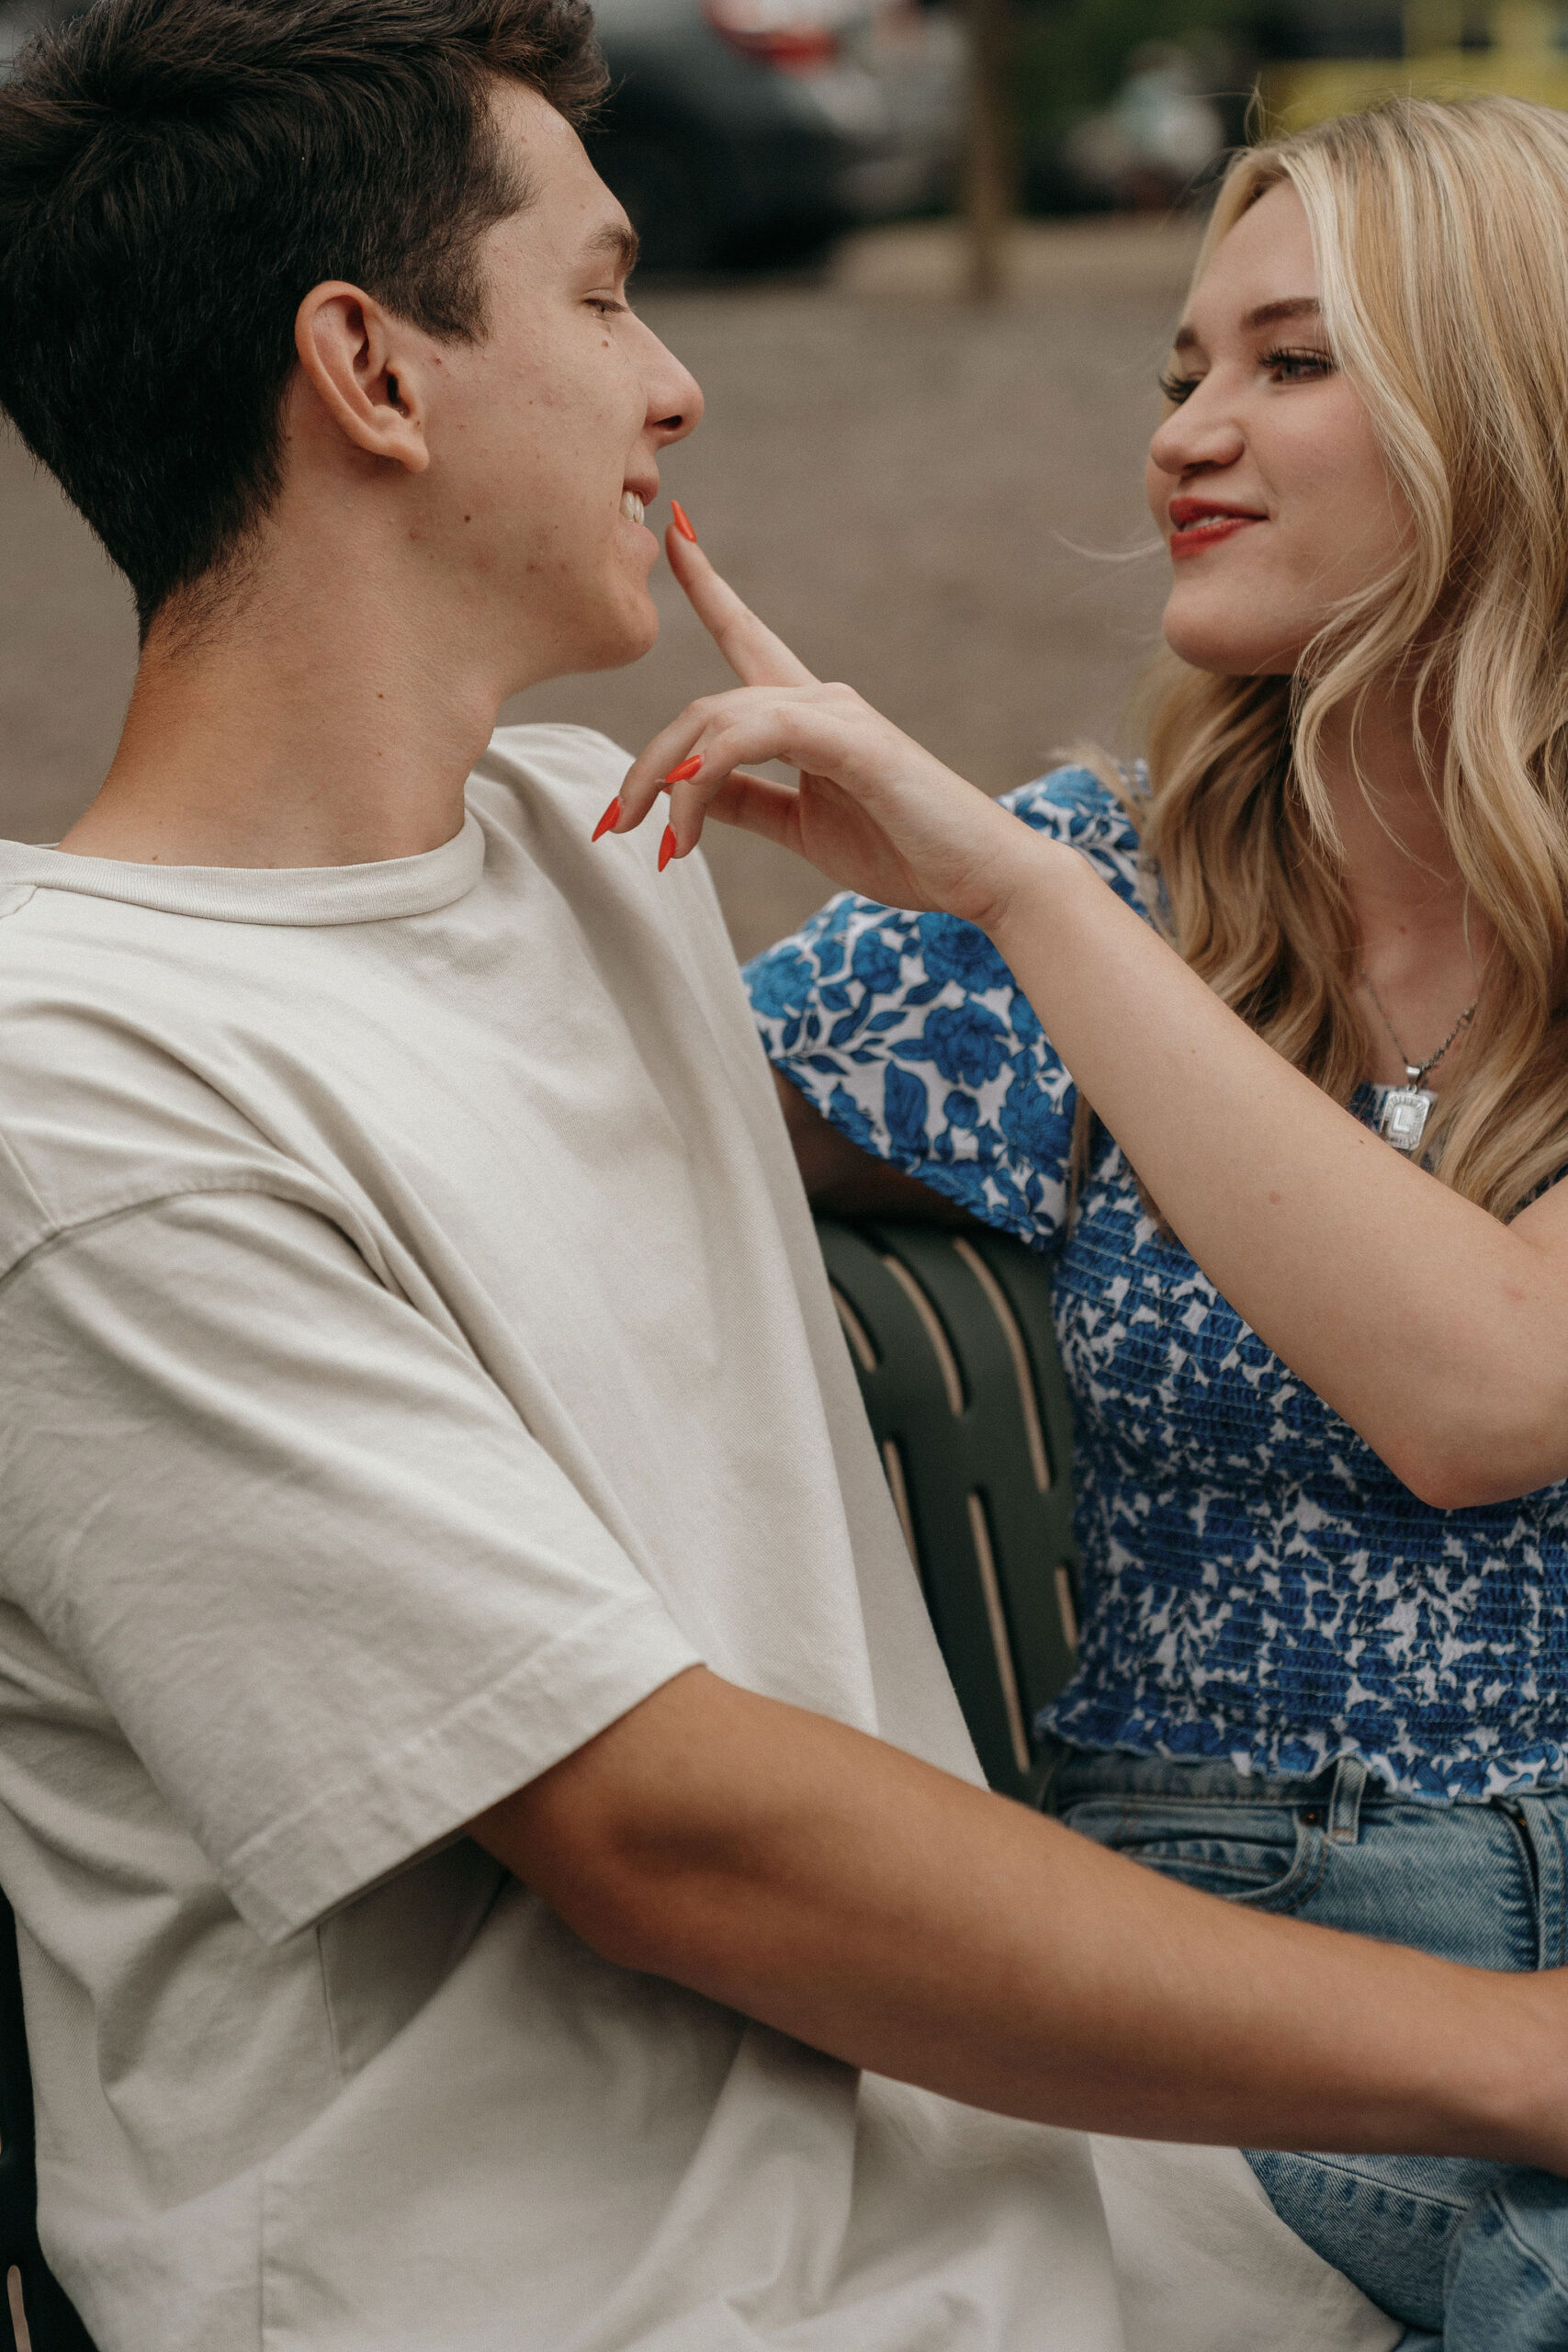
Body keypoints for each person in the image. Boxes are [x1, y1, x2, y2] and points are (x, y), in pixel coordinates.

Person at [0, 9, 1559, 2342]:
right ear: (371, 372)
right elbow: (668, 1828)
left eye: (1288, 362)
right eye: (610, 290)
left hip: (1016, 2213)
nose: (682, 384)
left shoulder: (586, 862)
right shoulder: (81, 1095)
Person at [611, 91, 1568, 2352]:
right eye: (1174, 374)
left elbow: (1490, 1387)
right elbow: (597, 1134)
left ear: (1509, 411)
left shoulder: (1051, 912)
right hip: (1238, 1967)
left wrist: (1030, 899)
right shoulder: (1093, 898)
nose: (1186, 438)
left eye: (1287, 363)